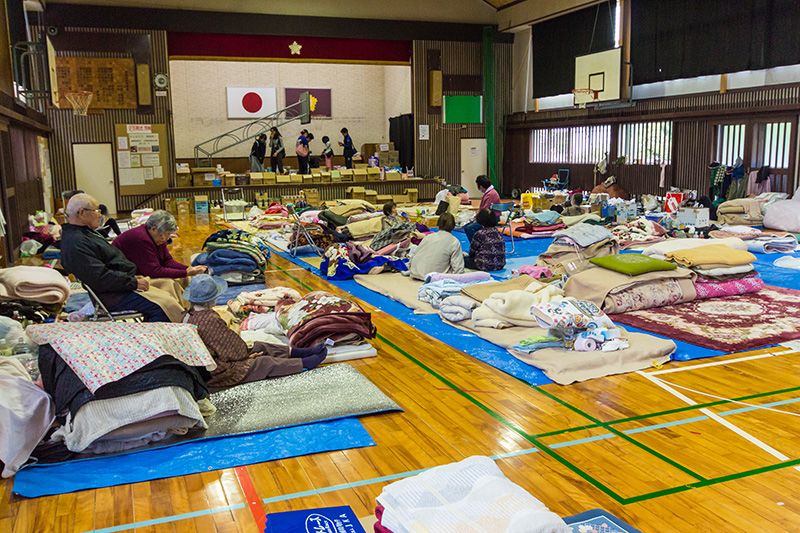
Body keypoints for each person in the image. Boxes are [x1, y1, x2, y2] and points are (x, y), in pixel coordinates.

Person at [182, 275, 327, 391]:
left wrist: (244, 350)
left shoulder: (190, 315)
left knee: (259, 346)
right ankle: (303, 364)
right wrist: (246, 355)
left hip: (213, 362)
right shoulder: (210, 320)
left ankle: (297, 352)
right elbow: (232, 350)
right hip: (217, 372)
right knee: (262, 363)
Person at [60, 193, 171, 322]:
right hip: (114, 295)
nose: (100, 215)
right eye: (96, 211)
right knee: (163, 307)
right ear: (81, 213)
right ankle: (154, 334)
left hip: (120, 285)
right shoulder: (76, 242)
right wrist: (133, 283)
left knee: (169, 284)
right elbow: (100, 277)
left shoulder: (84, 233)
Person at [113, 210, 206, 279]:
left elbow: (167, 261)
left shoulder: (157, 237)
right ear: (154, 229)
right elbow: (153, 271)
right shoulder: (141, 239)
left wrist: (189, 269)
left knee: (181, 278)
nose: (167, 238)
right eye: (166, 234)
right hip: (122, 275)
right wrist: (185, 273)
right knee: (169, 283)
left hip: (140, 269)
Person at [407, 213, 464, 280]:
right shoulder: (454, 241)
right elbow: (458, 269)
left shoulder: (428, 237)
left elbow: (415, 254)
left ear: (438, 224)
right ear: (453, 226)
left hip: (415, 272)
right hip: (432, 277)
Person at [463, 175, 501, 242]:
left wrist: (476, 218)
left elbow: (484, 211)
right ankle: (478, 243)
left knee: (469, 228)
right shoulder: (491, 192)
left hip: (489, 220)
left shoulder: (490, 194)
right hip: (489, 218)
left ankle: (477, 245)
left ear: (480, 186)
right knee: (467, 226)